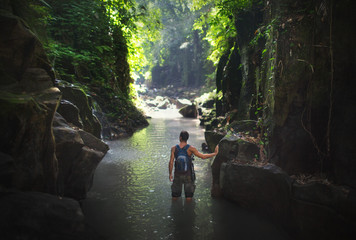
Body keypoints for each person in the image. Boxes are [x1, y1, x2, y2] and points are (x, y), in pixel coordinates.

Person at [169, 130, 219, 201]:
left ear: (180, 138)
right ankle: (188, 211)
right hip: (188, 175)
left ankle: (175, 211)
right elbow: (203, 156)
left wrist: (170, 174)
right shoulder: (191, 149)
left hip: (177, 174)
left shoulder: (174, 148)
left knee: (175, 197)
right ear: (187, 138)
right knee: (189, 197)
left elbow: (171, 162)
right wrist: (214, 153)